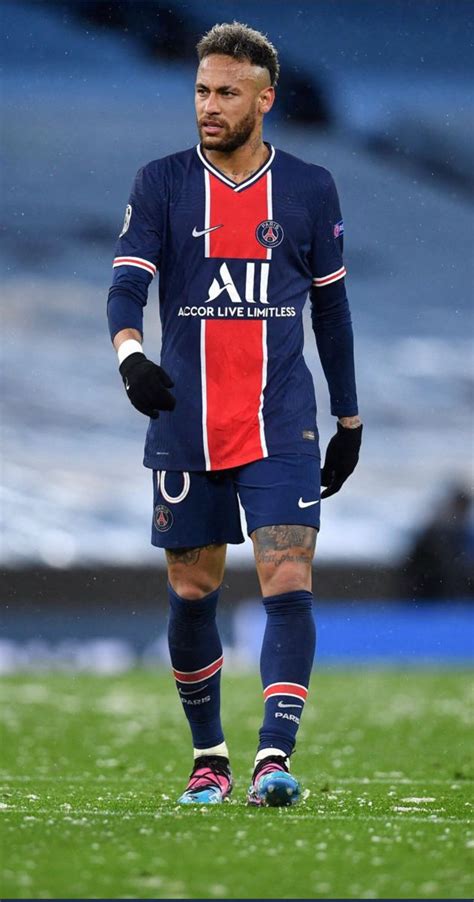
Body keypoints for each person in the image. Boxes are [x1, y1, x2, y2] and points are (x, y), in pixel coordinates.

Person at [107, 22, 362, 807]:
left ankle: (273, 758)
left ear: (264, 99)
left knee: (288, 572)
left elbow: (332, 313)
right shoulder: (162, 182)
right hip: (186, 417)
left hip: (281, 418)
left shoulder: (310, 188)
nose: (209, 106)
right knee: (194, 586)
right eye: (201, 91)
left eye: (226, 93)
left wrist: (349, 420)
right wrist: (130, 356)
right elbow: (127, 285)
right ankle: (209, 758)